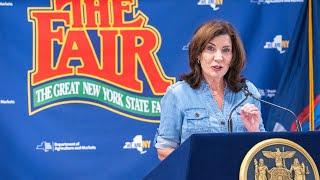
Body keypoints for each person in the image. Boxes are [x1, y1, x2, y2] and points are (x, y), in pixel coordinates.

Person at [154, 20, 265, 160]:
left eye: (226, 50)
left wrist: (253, 130)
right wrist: (200, 165)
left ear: (232, 57)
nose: (218, 58)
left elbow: (262, 148)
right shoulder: (178, 94)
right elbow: (164, 150)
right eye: (210, 49)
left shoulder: (247, 92)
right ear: (198, 55)